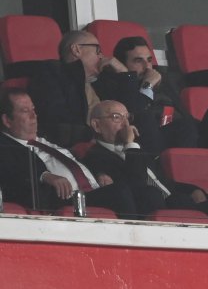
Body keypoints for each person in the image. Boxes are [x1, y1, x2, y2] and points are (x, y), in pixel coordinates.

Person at [81, 100, 208, 221]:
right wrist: (130, 143)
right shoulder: (96, 157)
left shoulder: (137, 149)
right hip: (159, 209)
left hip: (178, 201)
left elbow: (162, 182)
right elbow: (137, 183)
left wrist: (192, 189)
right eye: (117, 118)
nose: (126, 124)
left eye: (128, 117)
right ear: (97, 125)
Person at [0, 88, 137, 217]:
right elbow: (12, 170)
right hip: (65, 200)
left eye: (33, 109)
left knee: (142, 191)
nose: (34, 116)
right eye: (25, 111)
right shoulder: (5, 148)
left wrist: (99, 173)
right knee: (121, 192)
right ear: (7, 120)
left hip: (93, 192)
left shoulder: (51, 137)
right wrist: (44, 175)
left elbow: (79, 160)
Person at [28, 29, 154, 148]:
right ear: (77, 50)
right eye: (97, 51)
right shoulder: (52, 72)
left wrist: (124, 73)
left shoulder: (103, 80)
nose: (102, 56)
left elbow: (135, 115)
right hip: (79, 150)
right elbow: (58, 122)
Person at [112, 35, 208, 153]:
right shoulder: (122, 87)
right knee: (185, 126)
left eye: (149, 60)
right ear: (123, 65)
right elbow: (138, 115)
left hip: (187, 134)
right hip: (158, 139)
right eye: (138, 61)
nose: (147, 67)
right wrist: (147, 85)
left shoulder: (162, 81)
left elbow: (182, 113)